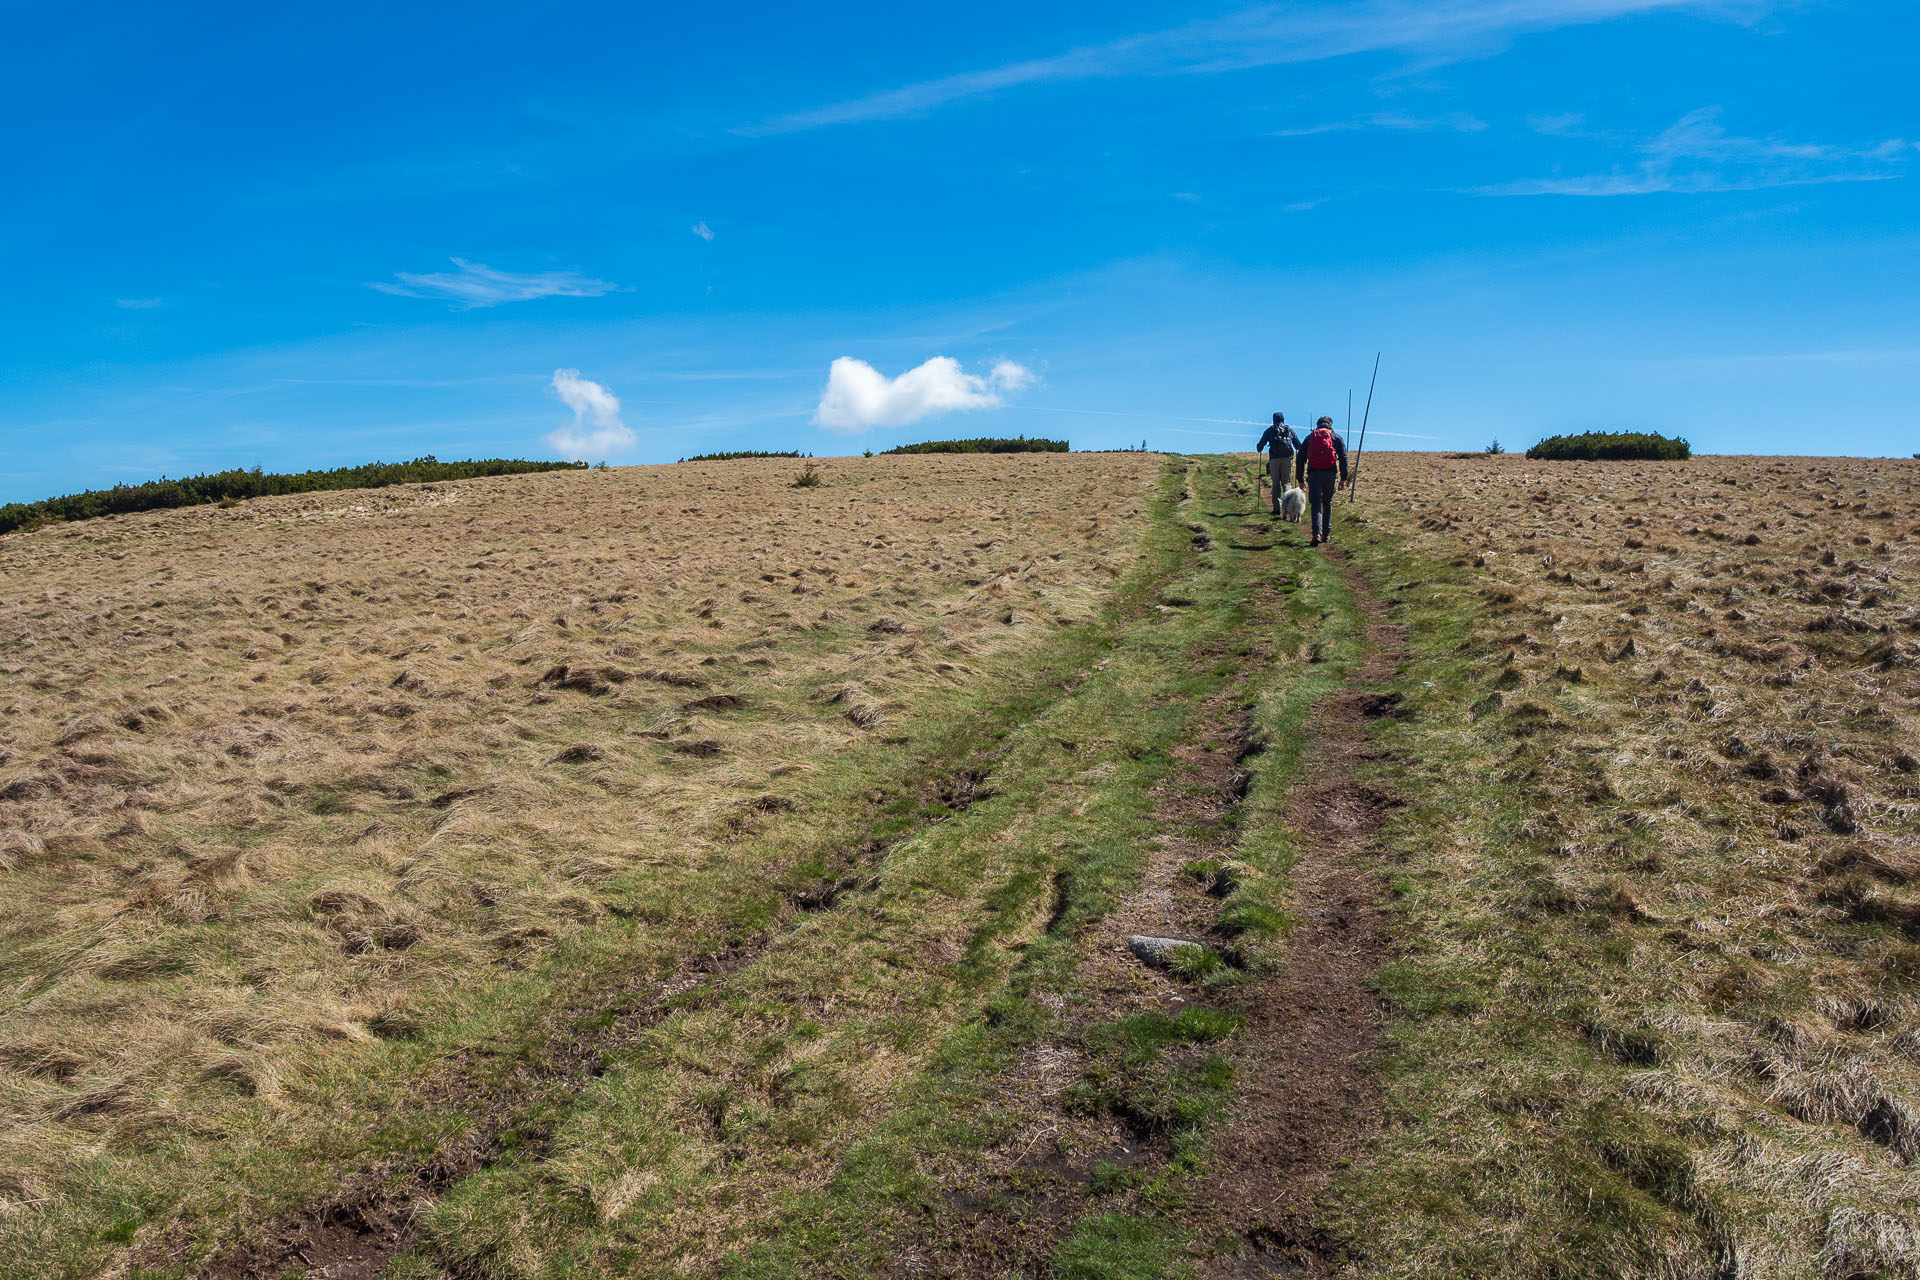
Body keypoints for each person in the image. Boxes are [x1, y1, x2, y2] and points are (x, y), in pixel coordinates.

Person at [1294, 415, 1349, 547]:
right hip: (1330, 474)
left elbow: (1300, 458)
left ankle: (1316, 533)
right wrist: (1344, 479)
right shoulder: (1336, 437)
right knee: (1327, 502)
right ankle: (1326, 534)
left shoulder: (1310, 438)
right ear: (1331, 424)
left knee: (1316, 504)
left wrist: (1300, 479)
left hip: (1314, 474)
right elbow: (1343, 457)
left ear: (1318, 424)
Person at [1254, 412, 1298, 515]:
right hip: (1287, 458)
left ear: (1273, 419)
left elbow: (1260, 446)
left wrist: (1259, 448)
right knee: (1286, 482)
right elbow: (1298, 445)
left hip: (1274, 459)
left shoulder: (1270, 430)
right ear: (1283, 419)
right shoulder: (1289, 430)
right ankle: (1289, 507)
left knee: (1276, 482)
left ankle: (1277, 508)